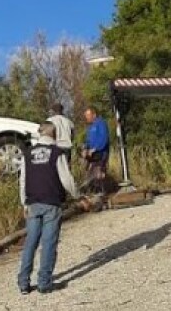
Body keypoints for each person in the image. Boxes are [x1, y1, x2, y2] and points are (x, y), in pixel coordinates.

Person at [17, 121, 78, 294]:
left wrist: (24, 203)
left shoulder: (27, 154)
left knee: (31, 242)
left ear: (40, 134)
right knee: (49, 243)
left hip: (33, 202)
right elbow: (66, 179)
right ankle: (44, 282)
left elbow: (22, 181)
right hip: (51, 202)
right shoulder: (57, 153)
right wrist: (77, 195)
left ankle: (23, 282)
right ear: (55, 134)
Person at [81, 107, 110, 195]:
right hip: (91, 155)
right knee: (90, 173)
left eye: (88, 115)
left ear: (94, 114)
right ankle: (93, 191)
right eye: (85, 116)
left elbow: (104, 139)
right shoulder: (90, 127)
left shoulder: (101, 123)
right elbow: (88, 140)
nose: (86, 118)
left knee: (99, 172)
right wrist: (85, 148)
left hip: (100, 153)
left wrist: (95, 149)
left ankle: (101, 192)